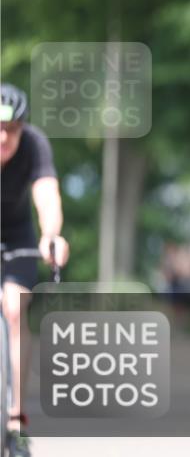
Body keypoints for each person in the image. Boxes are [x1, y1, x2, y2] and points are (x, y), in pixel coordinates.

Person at [0, 84, 69, 457]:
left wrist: (51, 236)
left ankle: (15, 421)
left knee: (15, 309)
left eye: (10, 129)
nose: (2, 137)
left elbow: (47, 194)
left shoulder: (34, 145)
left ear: (22, 127)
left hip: (17, 236)